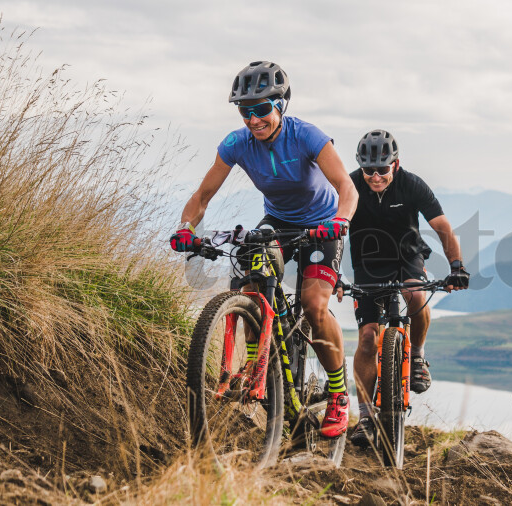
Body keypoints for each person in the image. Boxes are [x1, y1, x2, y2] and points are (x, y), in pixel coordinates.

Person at [169, 61, 358, 438]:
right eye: (245, 111)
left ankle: (338, 393)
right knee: (251, 285)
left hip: (323, 224)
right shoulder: (236, 144)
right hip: (278, 221)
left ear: (280, 106)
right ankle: (258, 364)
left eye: (261, 110)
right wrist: (186, 228)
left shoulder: (307, 136)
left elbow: (346, 187)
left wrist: (342, 220)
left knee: (314, 305)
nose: (253, 120)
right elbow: (203, 195)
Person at [339, 129, 470, 447]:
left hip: (407, 258)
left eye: (381, 169)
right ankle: (366, 417)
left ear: (394, 164)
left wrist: (456, 267)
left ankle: (419, 355)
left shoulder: (411, 184)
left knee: (416, 296)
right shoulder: (350, 185)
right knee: (368, 339)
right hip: (367, 266)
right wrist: (331, 272)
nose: (375, 176)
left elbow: (442, 227)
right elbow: (335, 228)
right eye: (368, 169)